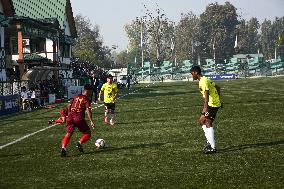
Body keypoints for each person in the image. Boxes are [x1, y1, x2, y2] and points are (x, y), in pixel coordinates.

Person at [190, 65, 222, 154]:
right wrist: (219, 99)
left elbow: (206, 95)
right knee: (201, 121)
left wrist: (206, 108)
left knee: (208, 122)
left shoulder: (203, 81)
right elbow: (218, 87)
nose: (192, 75)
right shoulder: (205, 79)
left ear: (196, 73)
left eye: (192, 73)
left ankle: (212, 147)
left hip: (212, 104)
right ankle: (209, 141)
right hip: (213, 103)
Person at [60, 84, 95, 157]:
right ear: (89, 91)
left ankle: (63, 148)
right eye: (91, 91)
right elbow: (88, 110)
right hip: (79, 118)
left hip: (70, 117)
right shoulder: (86, 99)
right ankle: (79, 143)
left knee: (68, 134)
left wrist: (68, 113)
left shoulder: (76, 96)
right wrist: (91, 121)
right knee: (88, 133)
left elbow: (69, 105)